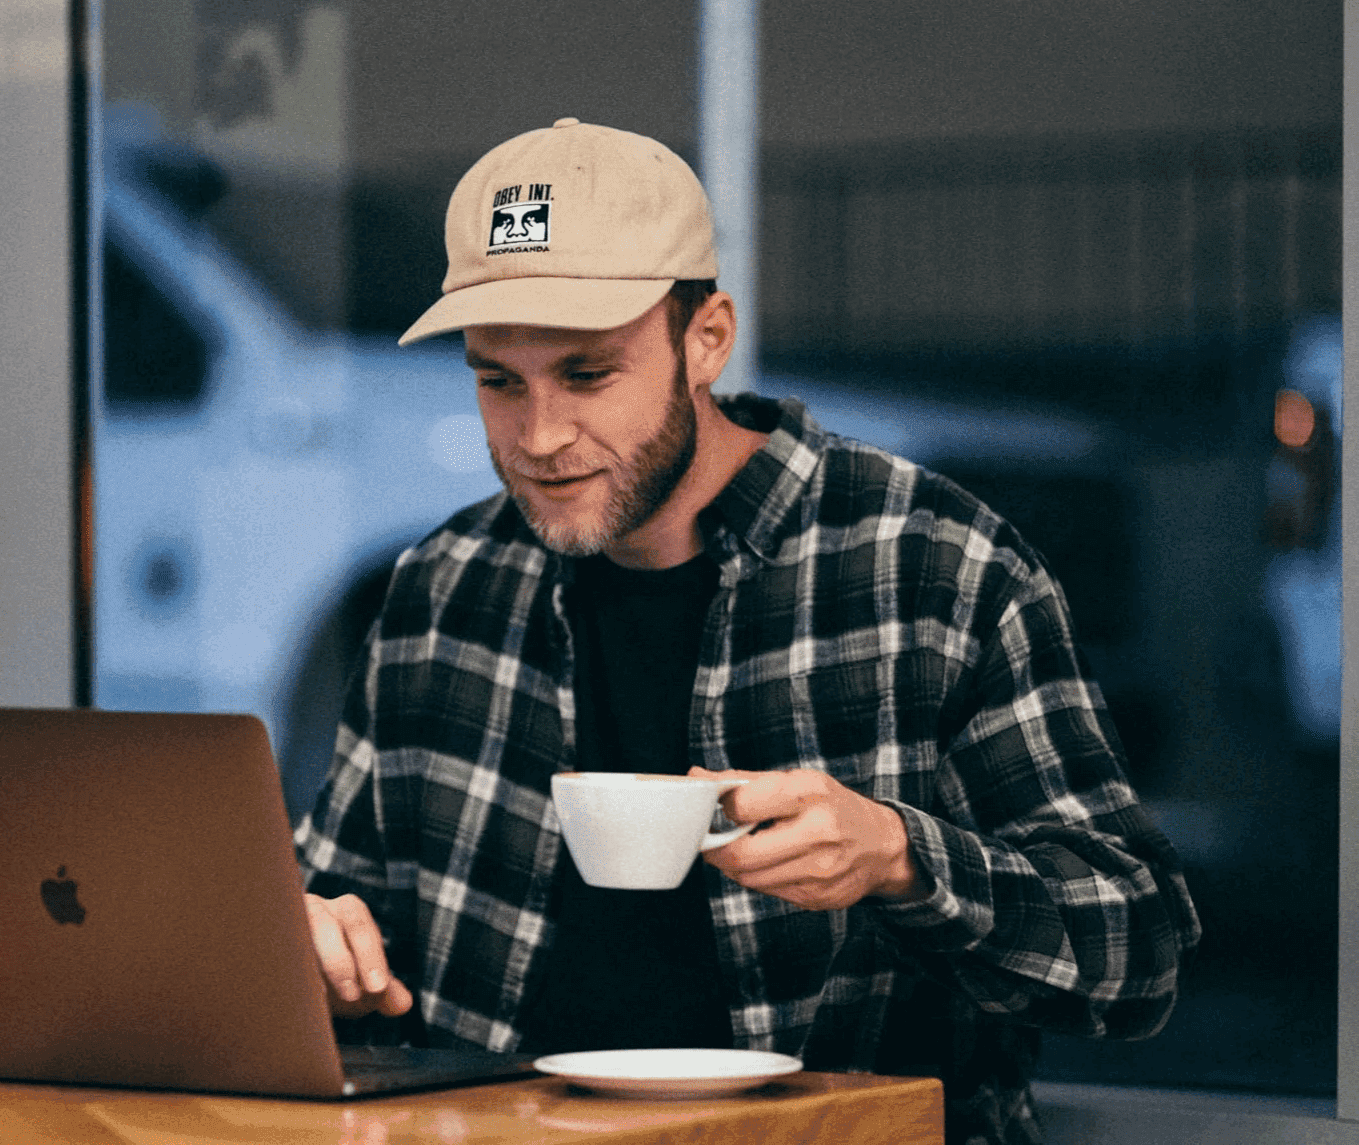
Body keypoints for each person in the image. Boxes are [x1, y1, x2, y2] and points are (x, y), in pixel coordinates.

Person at [294, 118, 1200, 1145]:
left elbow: (1140, 954)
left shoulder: (933, 567)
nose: (538, 437)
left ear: (706, 340)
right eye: (498, 379)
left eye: (587, 375)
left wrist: (904, 858)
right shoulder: (441, 588)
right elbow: (333, 912)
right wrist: (310, 944)